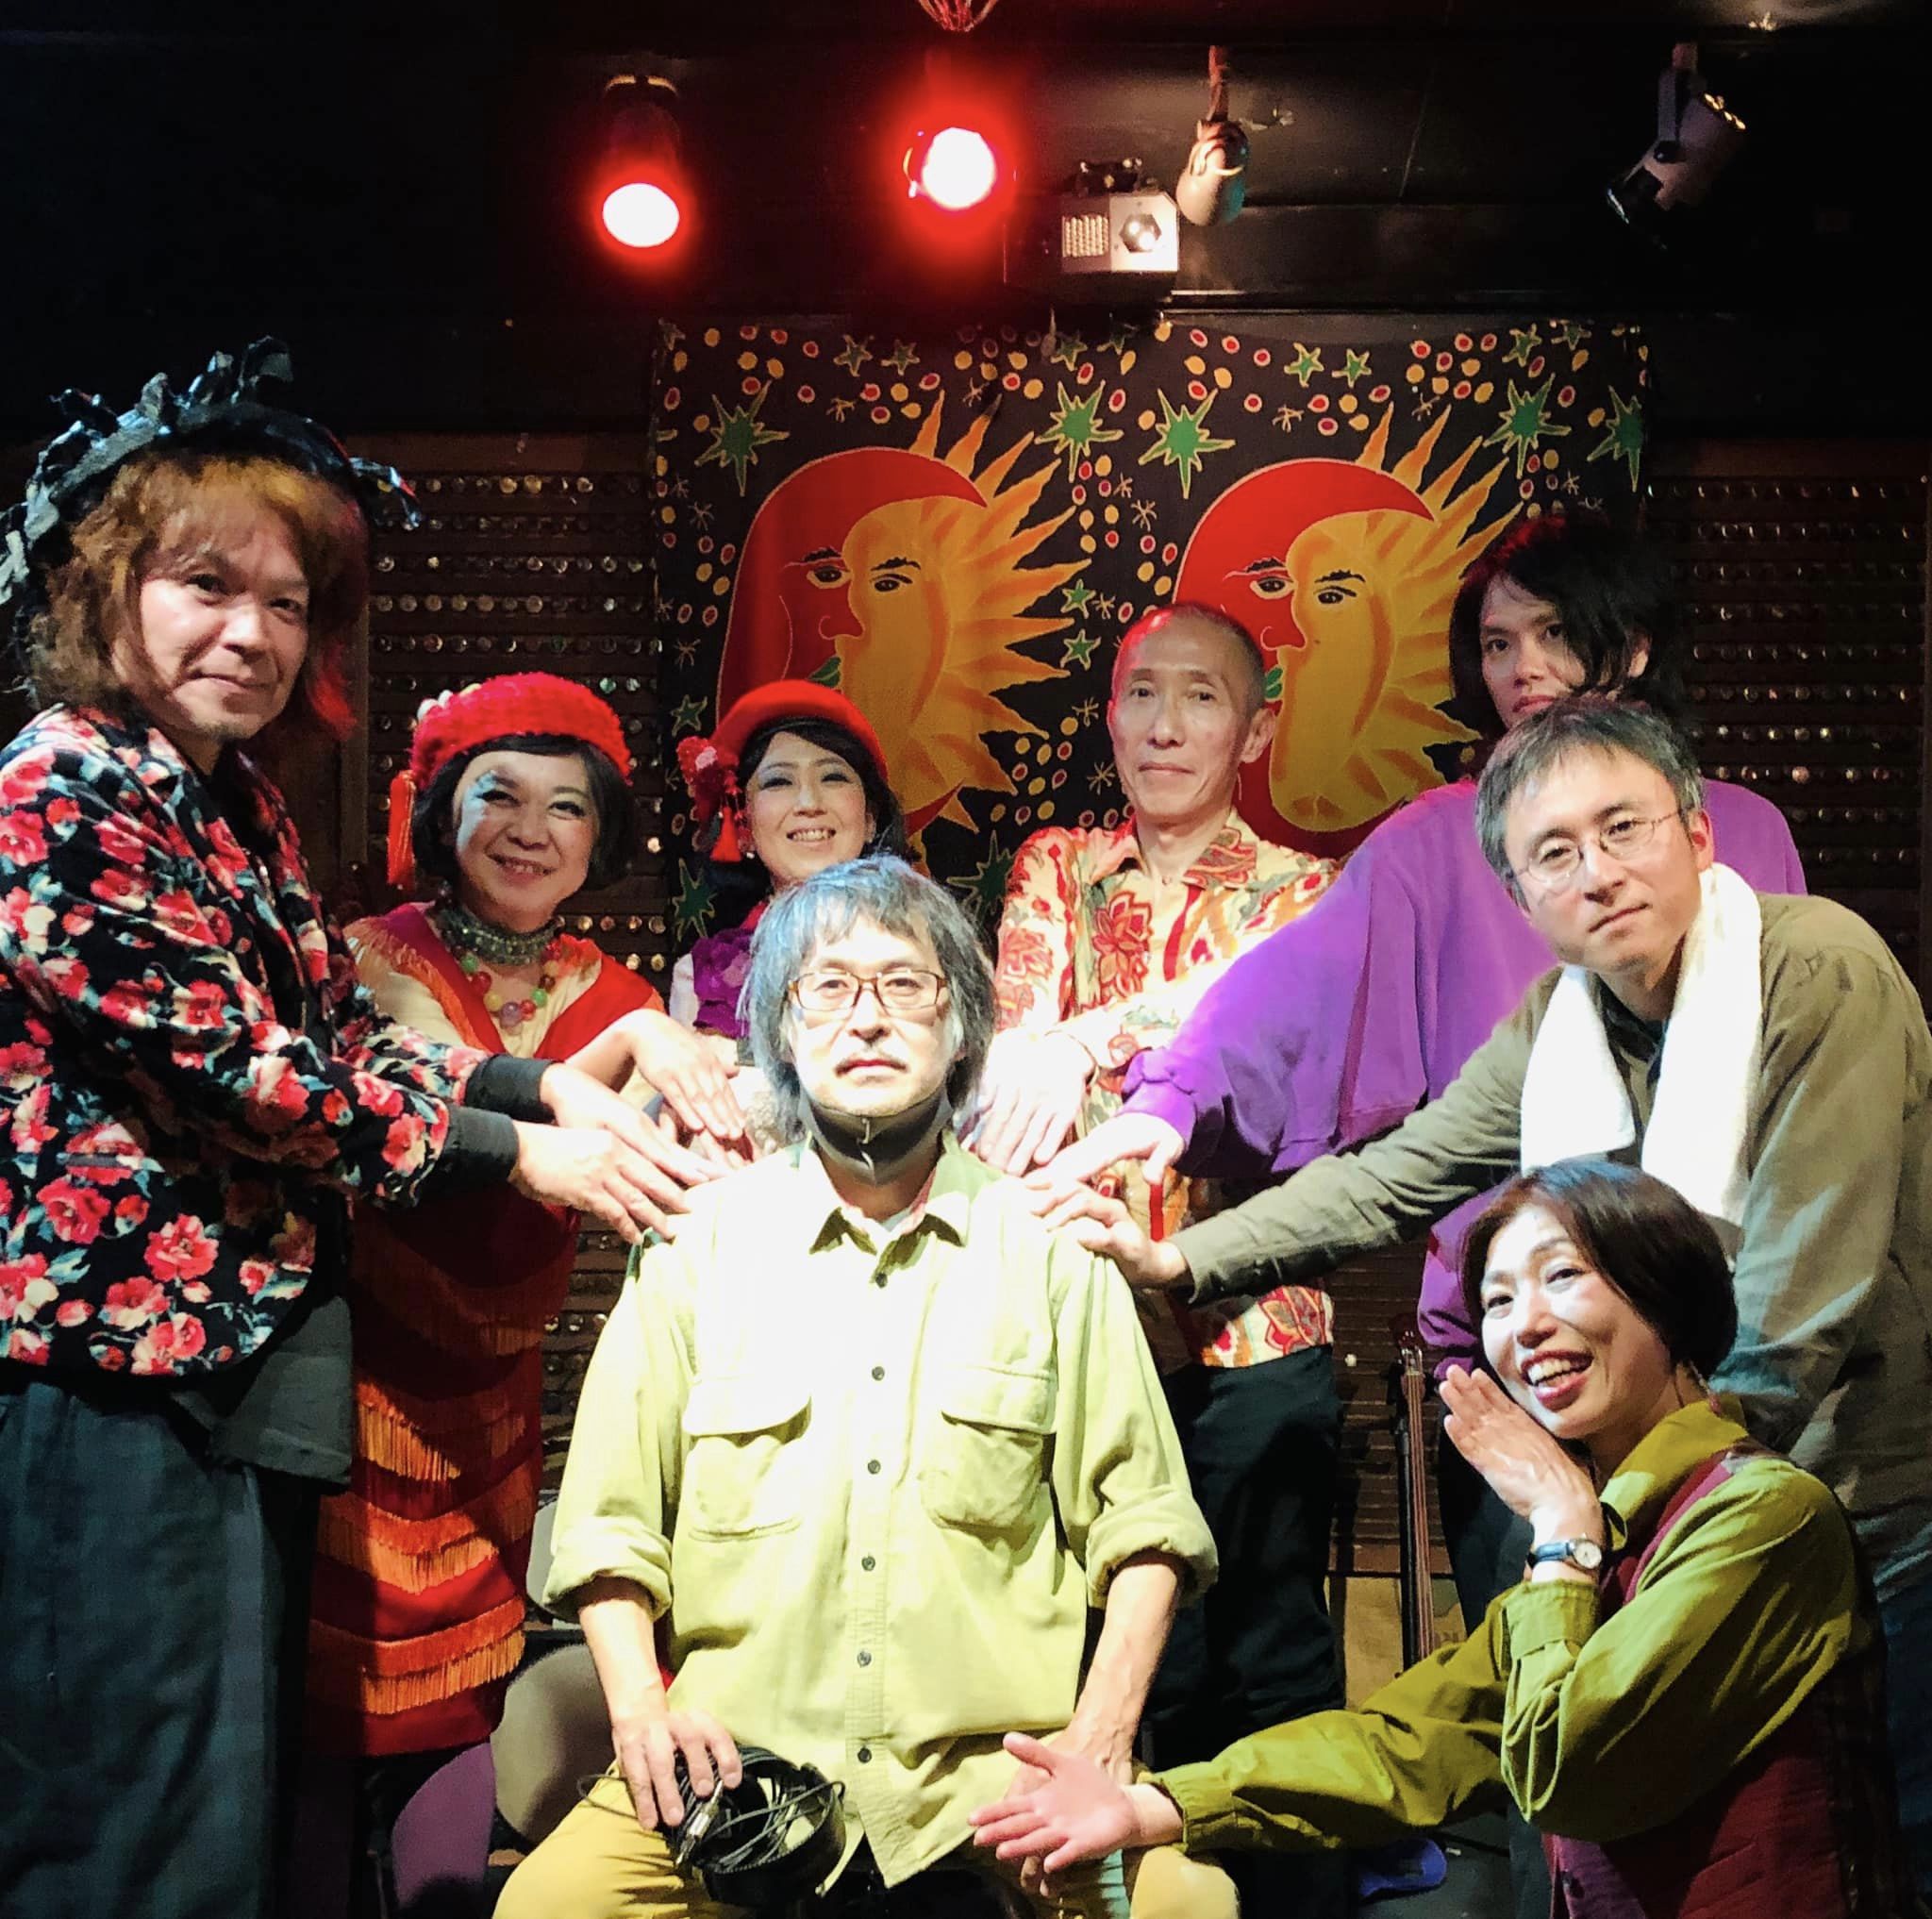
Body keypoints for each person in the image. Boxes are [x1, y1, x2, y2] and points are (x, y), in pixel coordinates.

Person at [0, 342, 705, 1919]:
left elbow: (335, 1032)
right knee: (126, 1816)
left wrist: (539, 1085)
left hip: (241, 1373)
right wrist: (518, 1143)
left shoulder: (233, 802)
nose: (251, 631)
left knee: (222, 1812)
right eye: (206, 585)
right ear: (109, 589)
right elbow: (247, 1070)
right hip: (111, 1380)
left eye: (286, 599)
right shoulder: (61, 787)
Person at [1039, 695, 1932, 1896]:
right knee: (1602, 1849)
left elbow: (1795, 1299)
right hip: (1657, 1500)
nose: (1597, 873)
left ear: (1696, 834)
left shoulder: (1815, 967)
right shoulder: (1560, 1023)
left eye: (1623, 829)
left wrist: (1632, 1514)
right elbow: (1393, 1176)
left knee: (1844, 1846)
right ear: (1518, 898)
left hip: (1842, 1500)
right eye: (1553, 854)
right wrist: (1181, 1264)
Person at [1056, 517, 1804, 1650]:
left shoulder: (1760, 857)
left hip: (1731, 1356)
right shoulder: (1441, 849)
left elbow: (1806, 1157)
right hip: (1522, 1358)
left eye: (1555, 633)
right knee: (1525, 1672)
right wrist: (1170, 1104)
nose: (1523, 668)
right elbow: (1298, 1001)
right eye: (1497, 644)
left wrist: (1771, 1400)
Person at [496, 856, 1230, 1919]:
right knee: (550, 1908)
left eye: (904, 984)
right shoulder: (697, 1249)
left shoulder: (1050, 1250)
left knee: (1186, 1906)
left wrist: (1098, 1738)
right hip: (732, 1774)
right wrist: (642, 1714)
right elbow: (608, 1527)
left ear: (962, 1027)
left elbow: (1149, 1527)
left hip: (994, 1782)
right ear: (781, 1033)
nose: (868, 1017)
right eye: (828, 987)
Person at [972, 1159, 1920, 1918]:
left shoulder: (1759, 1517)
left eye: (1562, 1277)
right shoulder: (1604, 1526)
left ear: (1666, 1297)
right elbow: (1410, 1741)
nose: (1526, 1326)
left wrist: (1560, 1537)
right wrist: (1150, 1805)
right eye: (1497, 1302)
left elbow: (1568, 1777)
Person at [301, 674, 741, 1910]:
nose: (531, 829)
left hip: (491, 1412)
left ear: (602, 836)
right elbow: (446, 1105)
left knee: (457, 1723)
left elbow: (627, 1178)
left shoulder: (617, 991)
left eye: (568, 805)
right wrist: (631, 1047)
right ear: (442, 811)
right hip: (351, 1396)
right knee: (319, 1731)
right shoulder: (372, 958)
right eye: (499, 794)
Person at [970, 602, 1342, 1914]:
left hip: (1252, 1319)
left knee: (1273, 1647)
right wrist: (1058, 1046)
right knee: (1129, 1652)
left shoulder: (1307, 888)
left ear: (1257, 726)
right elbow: (1013, 1048)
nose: (1165, 725)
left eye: (1200, 696)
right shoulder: (1057, 866)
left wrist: (1088, 1038)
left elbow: (1254, 1022)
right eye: (1141, 694)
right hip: (1081, 1322)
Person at [668, 677, 903, 1050]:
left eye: (833, 777)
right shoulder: (701, 980)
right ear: (743, 827)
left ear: (871, 818)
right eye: (779, 782)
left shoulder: (934, 949)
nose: (809, 803)